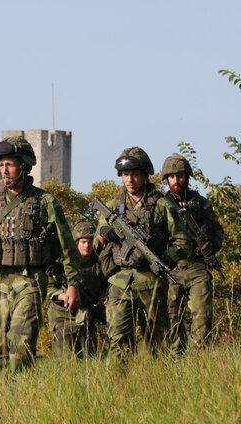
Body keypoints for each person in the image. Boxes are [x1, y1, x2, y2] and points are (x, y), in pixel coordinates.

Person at [0, 135, 82, 371]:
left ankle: (22, 388)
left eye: (10, 164)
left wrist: (73, 284)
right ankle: (4, 392)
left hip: (30, 282)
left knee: (21, 344)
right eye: (1, 165)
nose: (4, 171)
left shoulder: (45, 201)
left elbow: (67, 245)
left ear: (24, 166)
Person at [96, 147, 190, 361]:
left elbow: (183, 242)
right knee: (118, 342)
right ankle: (118, 381)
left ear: (146, 174)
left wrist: (165, 258)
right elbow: (96, 246)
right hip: (121, 282)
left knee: (158, 343)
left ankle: (156, 380)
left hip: (152, 282)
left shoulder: (162, 205)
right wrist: (104, 233)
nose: (130, 180)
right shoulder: (112, 207)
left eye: (135, 174)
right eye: (125, 174)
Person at [160, 153, 224, 352]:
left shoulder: (201, 204)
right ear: (166, 179)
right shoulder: (161, 205)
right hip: (171, 269)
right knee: (172, 319)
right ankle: (176, 359)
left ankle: (199, 358)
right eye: (172, 177)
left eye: (180, 176)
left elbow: (218, 232)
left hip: (197, 266)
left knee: (203, 317)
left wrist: (211, 245)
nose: (176, 181)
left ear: (187, 177)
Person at [47, 222, 108, 359]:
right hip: (62, 315)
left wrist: (104, 297)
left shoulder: (98, 263)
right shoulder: (62, 261)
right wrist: (63, 295)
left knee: (91, 358)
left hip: (87, 315)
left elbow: (105, 284)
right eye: (83, 242)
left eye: (90, 242)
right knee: (65, 359)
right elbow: (48, 287)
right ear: (76, 243)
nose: (87, 246)